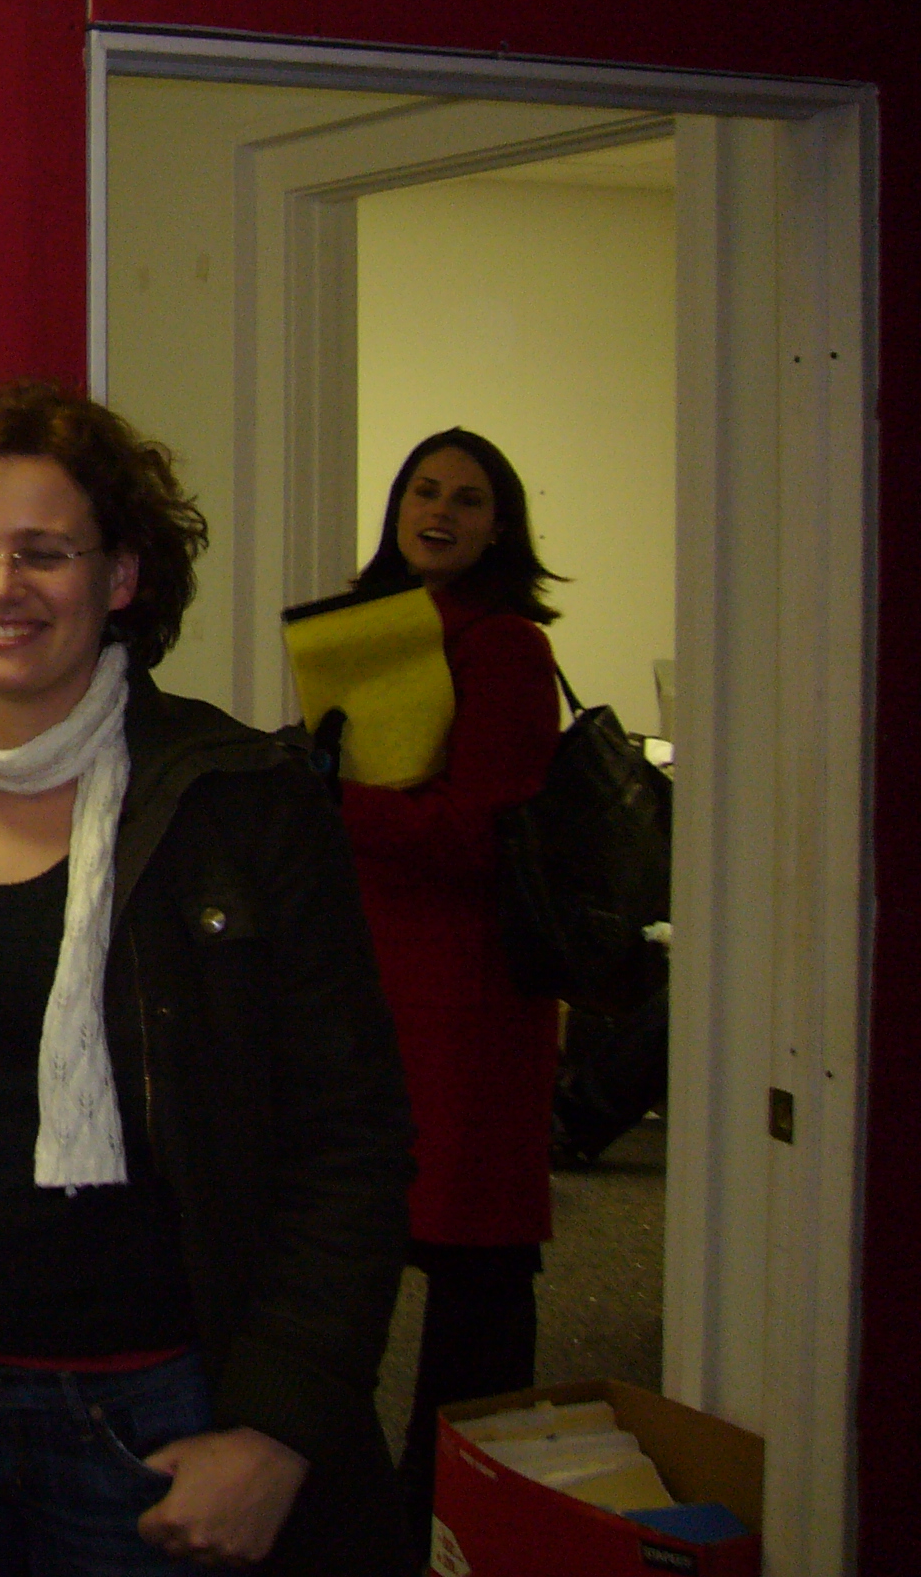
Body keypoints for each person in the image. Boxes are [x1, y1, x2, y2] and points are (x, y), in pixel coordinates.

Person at [0, 382, 412, 1574]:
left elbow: (347, 1138)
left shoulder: (237, 805)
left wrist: (275, 1427)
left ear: (122, 577)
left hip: (150, 1415)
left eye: (43, 552)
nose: (0, 586)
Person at [339, 429, 565, 1548]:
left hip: (470, 998)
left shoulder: (506, 646)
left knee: (474, 1276)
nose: (439, 511)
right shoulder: (366, 633)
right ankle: (357, 1516)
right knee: (348, 1245)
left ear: (498, 526)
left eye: (468, 499)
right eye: (424, 491)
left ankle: (458, 1517)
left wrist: (322, 798)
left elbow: (477, 834)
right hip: (369, 977)